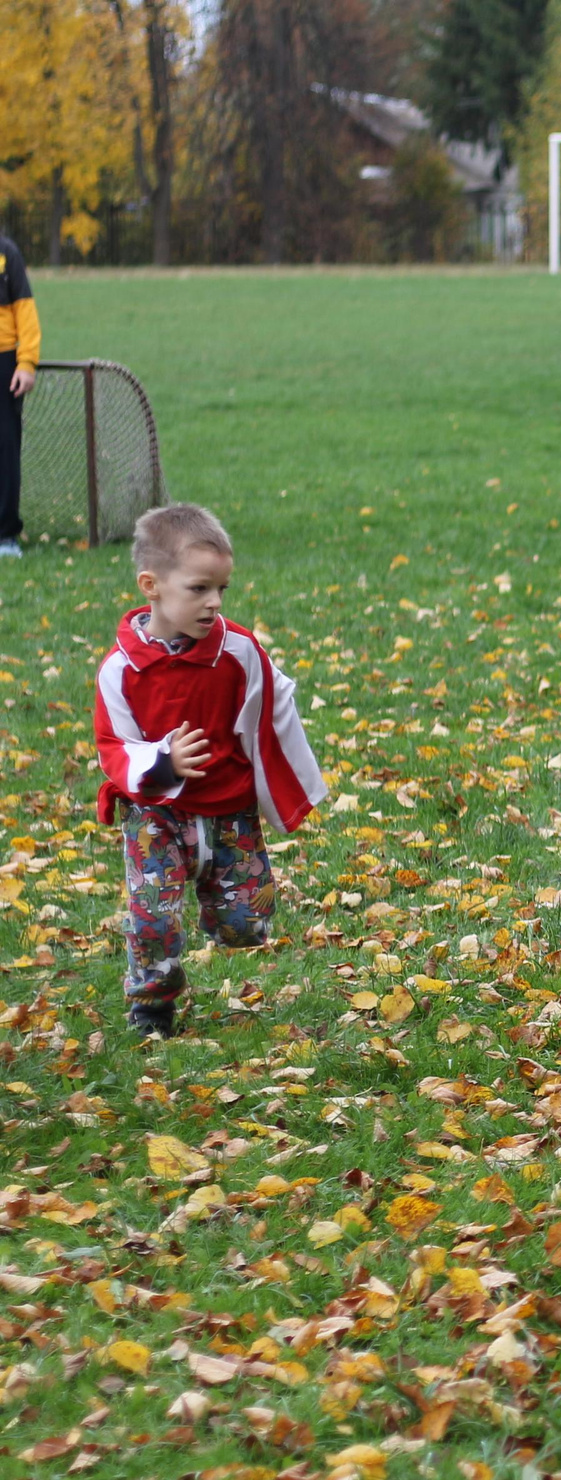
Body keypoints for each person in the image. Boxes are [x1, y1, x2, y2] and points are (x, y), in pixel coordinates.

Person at [92, 504, 328, 1039]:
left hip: (228, 811)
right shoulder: (121, 669)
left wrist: (291, 792)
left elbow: (273, 712)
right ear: (151, 586)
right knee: (153, 919)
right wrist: (162, 761)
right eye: (199, 588)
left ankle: (216, 902)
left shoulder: (238, 651)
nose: (214, 601)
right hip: (155, 814)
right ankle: (152, 1004)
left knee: (247, 923)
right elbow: (114, 745)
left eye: (221, 588)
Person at [0, 231, 37, 558]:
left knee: (5, 448)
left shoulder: (6, 253)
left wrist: (26, 363)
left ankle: (5, 536)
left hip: (4, 362)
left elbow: (25, 311)